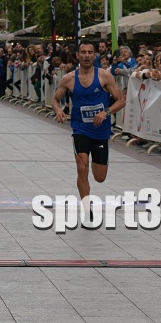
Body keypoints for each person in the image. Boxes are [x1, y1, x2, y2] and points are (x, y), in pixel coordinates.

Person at [52, 41, 125, 218]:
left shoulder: (104, 76)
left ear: (94, 56)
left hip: (100, 131)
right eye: (83, 52)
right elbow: (55, 99)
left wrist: (106, 112)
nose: (86, 55)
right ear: (77, 55)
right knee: (81, 167)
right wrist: (59, 110)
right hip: (80, 129)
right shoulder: (69, 78)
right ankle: (86, 208)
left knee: (100, 177)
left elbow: (121, 100)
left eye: (90, 52)